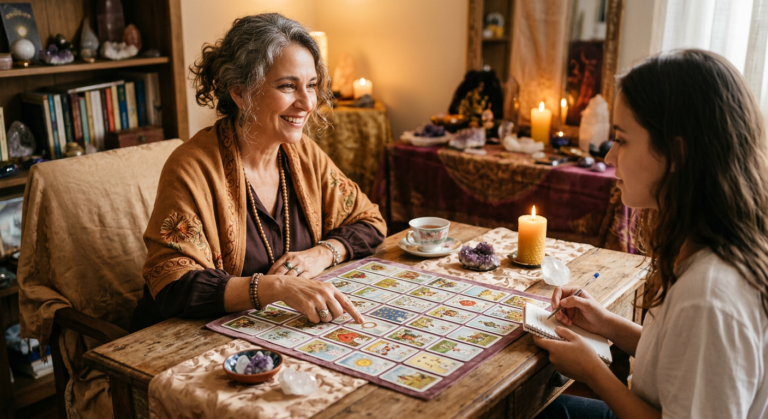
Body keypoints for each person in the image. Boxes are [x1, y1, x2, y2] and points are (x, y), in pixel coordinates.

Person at [535, 49, 768, 418]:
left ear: (676, 153)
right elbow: (682, 360)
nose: (609, 158)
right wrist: (607, 323)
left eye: (622, 139)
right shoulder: (711, 246)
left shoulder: (709, 295)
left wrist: (593, 372)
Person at [130, 13, 386, 331]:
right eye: (287, 86)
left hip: (273, 332)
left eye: (311, 85)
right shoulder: (192, 168)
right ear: (240, 93)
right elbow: (173, 286)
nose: (307, 102)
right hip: (182, 339)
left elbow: (370, 222)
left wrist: (321, 254)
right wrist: (275, 288)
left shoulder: (303, 153)